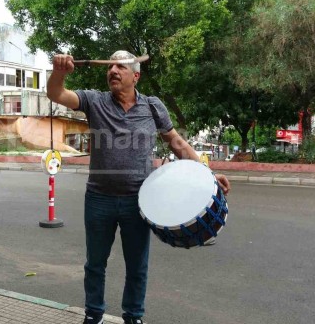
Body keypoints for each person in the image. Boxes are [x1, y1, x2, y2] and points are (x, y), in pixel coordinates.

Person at [47, 51, 231, 324]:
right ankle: (93, 314)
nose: (112, 70)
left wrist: (209, 174)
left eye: (120, 66)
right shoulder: (95, 100)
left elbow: (177, 144)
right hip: (99, 199)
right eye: (110, 65)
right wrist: (59, 72)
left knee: (137, 267)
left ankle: (133, 316)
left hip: (138, 201)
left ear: (136, 76)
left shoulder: (152, 106)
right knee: (95, 264)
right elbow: (56, 93)